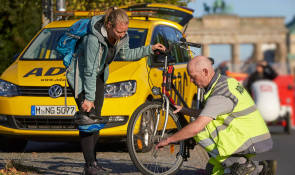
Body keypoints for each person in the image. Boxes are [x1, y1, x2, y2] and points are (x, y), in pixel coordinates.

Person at [66, 7, 165, 175]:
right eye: (119, 31)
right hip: (80, 79)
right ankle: (90, 166)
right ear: (109, 25)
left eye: (125, 31)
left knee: (95, 121)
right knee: (87, 120)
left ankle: (93, 164)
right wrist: (88, 98)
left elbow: (127, 55)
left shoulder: (122, 37)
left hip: (97, 78)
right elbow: (89, 70)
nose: (122, 35)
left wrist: (149, 49)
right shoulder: (93, 39)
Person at [156, 56, 273, 175]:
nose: (191, 80)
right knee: (212, 170)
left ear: (205, 72)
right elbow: (209, 111)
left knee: (201, 130)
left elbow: (196, 128)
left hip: (248, 141)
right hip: (254, 136)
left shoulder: (219, 95)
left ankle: (245, 166)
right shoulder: (225, 81)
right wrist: (185, 110)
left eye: (193, 76)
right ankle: (260, 168)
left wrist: (168, 140)